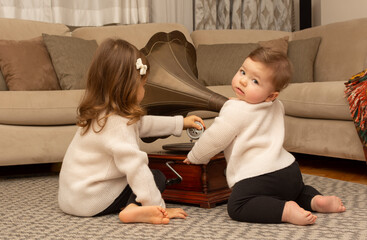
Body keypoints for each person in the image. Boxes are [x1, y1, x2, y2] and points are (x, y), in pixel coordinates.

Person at [183, 47, 346, 225]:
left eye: (254, 81)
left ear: (270, 95)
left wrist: (196, 156)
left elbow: (214, 139)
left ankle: (285, 211)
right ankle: (316, 201)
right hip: (290, 171)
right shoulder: (276, 105)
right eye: (242, 72)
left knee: (237, 206)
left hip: (258, 176)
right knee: (298, 192)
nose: (243, 81)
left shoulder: (234, 110)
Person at [58, 38, 205, 224]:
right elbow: (136, 168)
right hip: (91, 202)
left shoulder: (100, 113)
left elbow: (143, 124)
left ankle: (130, 207)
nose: (144, 90)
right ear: (129, 86)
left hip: (71, 199)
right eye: (143, 85)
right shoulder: (119, 123)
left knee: (143, 176)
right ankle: (133, 208)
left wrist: (180, 123)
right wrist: (159, 208)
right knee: (155, 176)